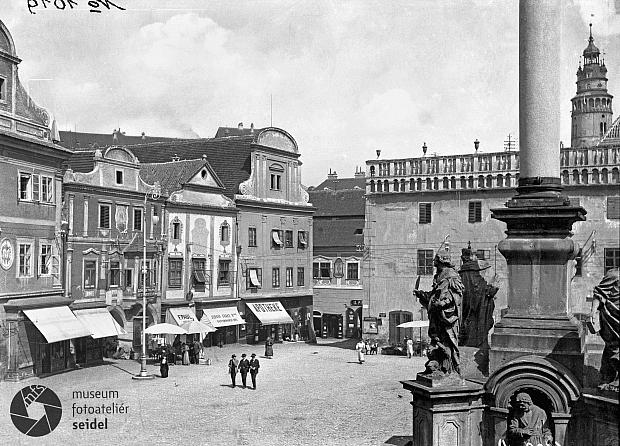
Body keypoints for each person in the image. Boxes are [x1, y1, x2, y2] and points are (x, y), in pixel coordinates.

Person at [413, 250, 465, 375]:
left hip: (446, 315)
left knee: (448, 341)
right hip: (436, 315)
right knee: (436, 339)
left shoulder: (451, 275)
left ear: (441, 260)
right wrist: (423, 295)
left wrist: (444, 303)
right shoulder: (438, 275)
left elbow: (457, 294)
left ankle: (450, 368)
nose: (433, 262)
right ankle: (436, 363)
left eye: (435, 259)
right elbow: (435, 295)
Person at [458, 243, 500, 348]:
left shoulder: (461, 276)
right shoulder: (473, 275)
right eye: (475, 256)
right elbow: (484, 291)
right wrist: (494, 287)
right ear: (471, 258)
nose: (477, 257)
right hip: (475, 315)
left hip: (465, 314)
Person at [588, 268, 619, 390]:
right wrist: (593, 311)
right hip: (613, 320)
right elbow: (599, 293)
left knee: (613, 350)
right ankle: (608, 378)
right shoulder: (614, 274)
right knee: (613, 348)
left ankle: (609, 378)